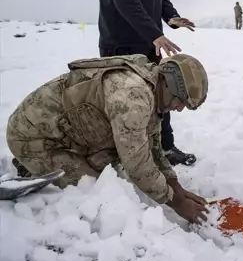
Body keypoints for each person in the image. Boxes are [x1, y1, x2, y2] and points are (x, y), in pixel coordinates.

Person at [7, 53, 210, 224]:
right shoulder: (133, 96)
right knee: (94, 189)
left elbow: (153, 147)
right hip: (32, 138)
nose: (179, 108)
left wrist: (175, 186)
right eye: (180, 101)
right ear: (167, 84)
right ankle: (29, 164)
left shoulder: (152, 87)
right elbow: (137, 163)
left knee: (109, 165)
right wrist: (177, 203)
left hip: (67, 133)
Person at [97, 0, 196, 166]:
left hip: (148, 43)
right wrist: (154, 33)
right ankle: (123, 156)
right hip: (123, 46)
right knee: (125, 103)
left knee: (159, 97)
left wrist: (172, 17)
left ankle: (164, 148)